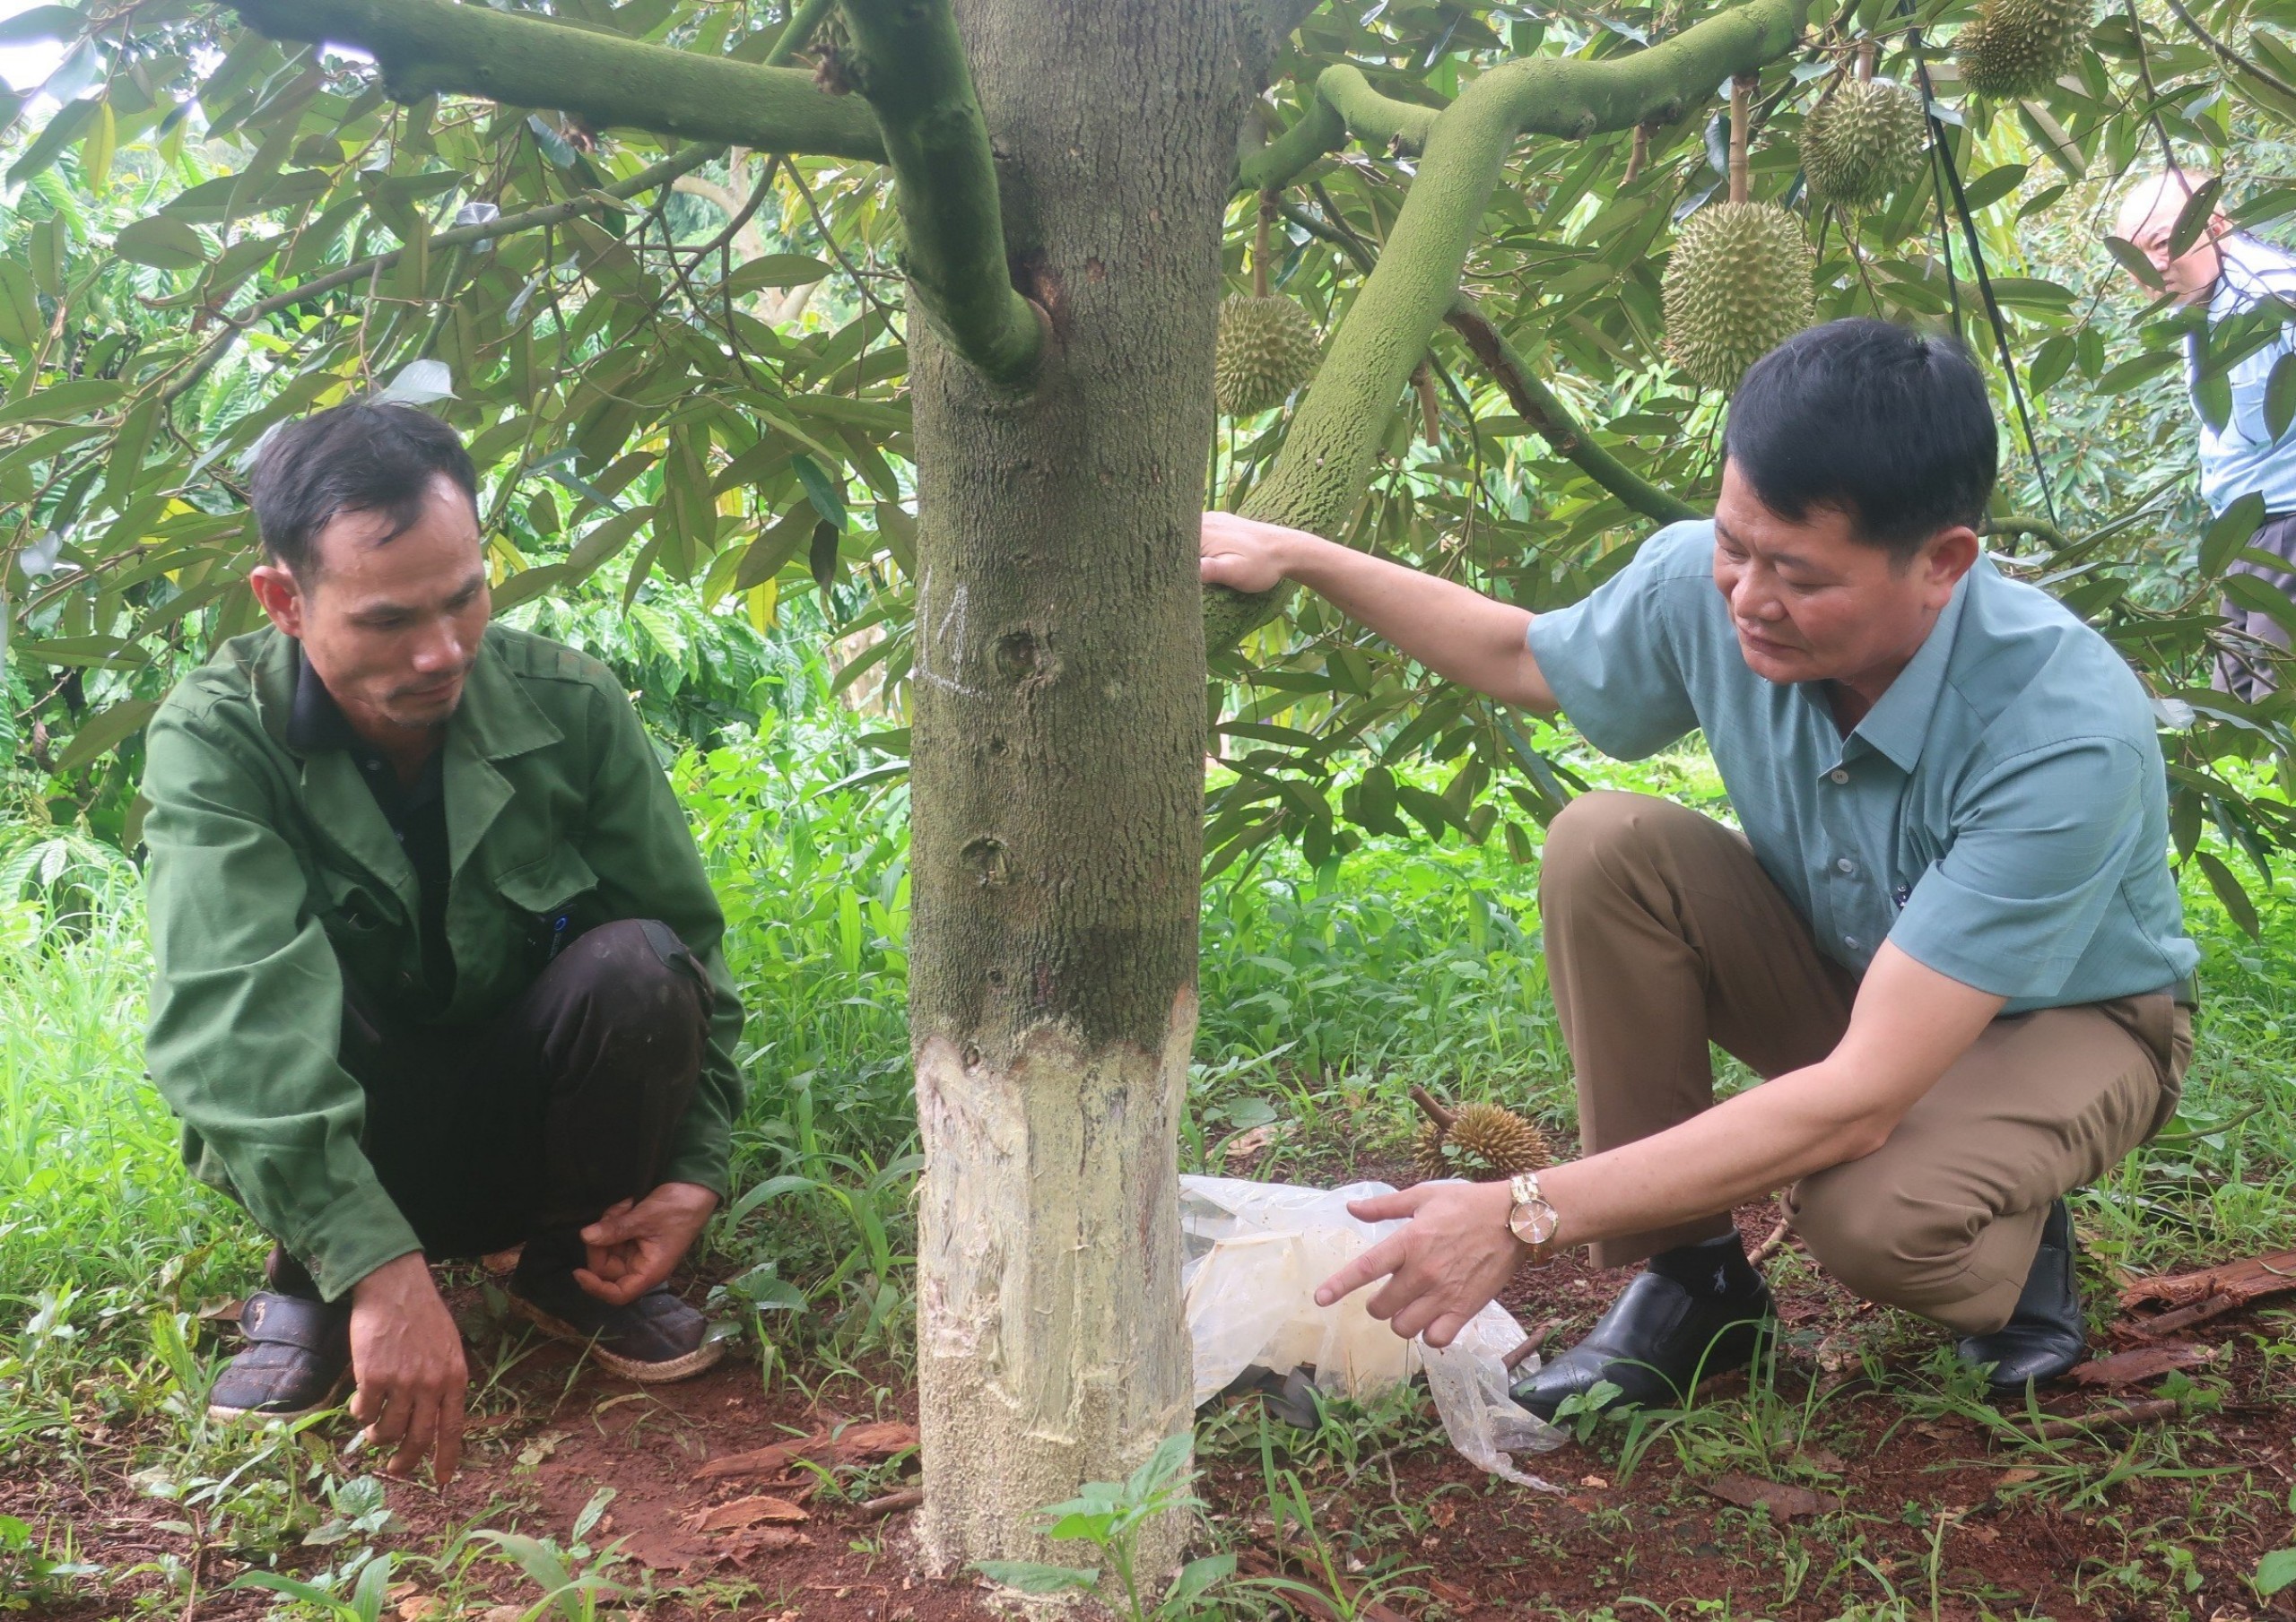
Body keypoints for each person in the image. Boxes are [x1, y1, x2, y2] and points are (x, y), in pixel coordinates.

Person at [1200, 319, 2196, 1418]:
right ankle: (1697, 1287)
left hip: (2070, 1020)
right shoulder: (1708, 584)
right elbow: (1519, 656)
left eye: (1799, 575)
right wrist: (1300, 554)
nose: (1747, 598)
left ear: (1943, 563)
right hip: (1874, 977)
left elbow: (1860, 1099)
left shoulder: (2060, 731)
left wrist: (1521, 1209)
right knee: (1606, 844)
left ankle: (2010, 1232)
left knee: (1873, 1216)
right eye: (1736, 543)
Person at [142, 402, 746, 1479]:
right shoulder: (215, 739)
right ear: (283, 600)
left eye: (464, 598)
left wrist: (696, 1172)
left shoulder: (574, 705)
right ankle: (320, 1274)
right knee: (277, 1003)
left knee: (641, 966)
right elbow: (229, 1020)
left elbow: (692, 957)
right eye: (386, 621)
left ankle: (564, 1265)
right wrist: (377, 1267)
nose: (441, 651)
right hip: (356, 1123)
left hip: (524, 1124)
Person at [2115, 169, 2296, 700]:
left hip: (2286, 532)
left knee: (2272, 710)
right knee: (2232, 711)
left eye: (2162, 243)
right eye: (2134, 257)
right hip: (2248, 539)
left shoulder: (2274, 296)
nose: (2152, 268)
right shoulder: (2210, 303)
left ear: (2215, 222)